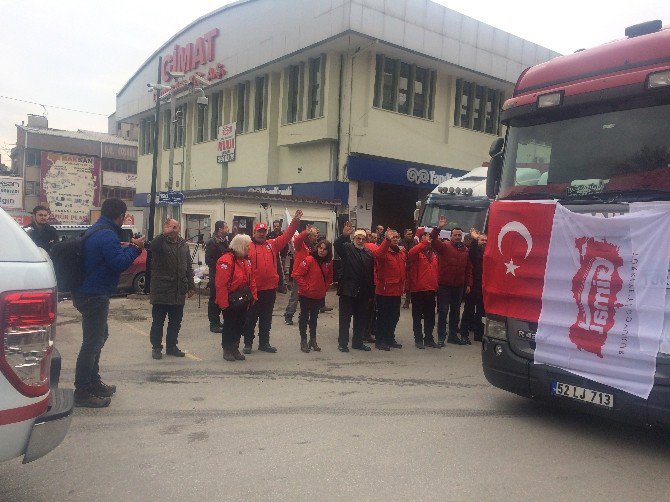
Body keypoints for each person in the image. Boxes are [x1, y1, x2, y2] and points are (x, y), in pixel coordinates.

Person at [72, 198, 145, 407]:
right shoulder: (107, 234)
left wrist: (130, 246)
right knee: (92, 342)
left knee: (100, 336)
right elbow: (118, 264)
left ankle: (93, 382)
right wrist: (136, 249)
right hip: (94, 294)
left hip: (88, 291)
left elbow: (110, 257)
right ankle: (83, 390)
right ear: (121, 216)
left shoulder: (99, 229)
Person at [243, 210, 302, 353]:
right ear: (254, 232)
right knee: (250, 318)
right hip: (253, 290)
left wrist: (295, 221)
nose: (262, 234)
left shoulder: (272, 244)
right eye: (259, 231)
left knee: (266, 319)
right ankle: (248, 344)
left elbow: (287, 236)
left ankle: (264, 343)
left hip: (269, 290)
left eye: (264, 231)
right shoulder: (247, 246)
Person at [149, 218, 196, 360]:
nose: (175, 230)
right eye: (172, 227)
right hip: (161, 290)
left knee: (175, 322)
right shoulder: (160, 241)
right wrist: (164, 234)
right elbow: (152, 247)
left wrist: (191, 286)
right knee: (158, 322)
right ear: (166, 227)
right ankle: (156, 347)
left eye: (177, 227)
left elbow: (188, 265)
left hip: (178, 290)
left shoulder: (183, 244)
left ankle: (171, 347)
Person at [430, 217, 473, 346]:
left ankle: (453, 336)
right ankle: (441, 337)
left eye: (460, 235)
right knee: (443, 312)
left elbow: (469, 269)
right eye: (455, 235)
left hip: (459, 286)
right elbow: (433, 240)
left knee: (455, 312)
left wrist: (469, 284)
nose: (458, 237)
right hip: (444, 285)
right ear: (451, 236)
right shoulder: (444, 246)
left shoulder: (466, 250)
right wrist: (439, 227)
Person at [216, 234, 257, 362]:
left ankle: (235, 348)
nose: (249, 249)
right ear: (240, 246)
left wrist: (253, 297)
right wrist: (224, 304)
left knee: (240, 324)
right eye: (247, 247)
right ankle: (227, 349)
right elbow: (220, 284)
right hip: (230, 300)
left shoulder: (246, 261)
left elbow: (252, 280)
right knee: (229, 325)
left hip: (243, 299)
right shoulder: (226, 260)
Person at [334, 223, 374, 352]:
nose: (360, 240)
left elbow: (370, 274)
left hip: (363, 292)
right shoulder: (347, 248)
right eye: (358, 238)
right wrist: (344, 235)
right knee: (345, 320)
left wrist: (370, 293)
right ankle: (343, 344)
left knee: (360, 320)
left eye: (363, 238)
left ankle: (357, 343)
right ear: (354, 239)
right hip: (347, 290)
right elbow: (337, 245)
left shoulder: (368, 253)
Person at [293, 240, 333, 353]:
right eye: (320, 247)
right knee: (304, 317)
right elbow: (297, 275)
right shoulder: (309, 260)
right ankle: (303, 340)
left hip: (318, 295)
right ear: (317, 248)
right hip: (306, 295)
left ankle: (313, 340)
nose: (322, 250)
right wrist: (306, 287)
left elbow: (330, 278)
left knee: (314, 318)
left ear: (328, 251)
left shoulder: (328, 263)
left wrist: (324, 289)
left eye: (325, 249)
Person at [372, 228, 407, 351]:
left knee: (394, 316)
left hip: (397, 291)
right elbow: (378, 254)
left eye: (397, 237)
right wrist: (387, 239)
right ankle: (380, 340)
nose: (395, 239)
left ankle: (390, 338)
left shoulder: (401, 253)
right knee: (383, 317)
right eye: (393, 237)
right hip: (384, 291)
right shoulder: (383, 252)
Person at [407, 228, 439, 349]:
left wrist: (438, 229)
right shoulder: (416, 253)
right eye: (425, 237)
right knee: (417, 316)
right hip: (418, 289)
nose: (428, 240)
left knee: (430, 317)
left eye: (428, 238)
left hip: (431, 289)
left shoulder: (434, 254)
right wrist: (424, 242)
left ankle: (429, 338)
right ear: (420, 240)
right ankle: (418, 339)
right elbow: (411, 253)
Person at [284, 225, 318, 325]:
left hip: (309, 276)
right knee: (295, 297)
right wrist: (305, 232)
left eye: (316, 235)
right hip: (299, 276)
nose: (316, 237)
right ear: (309, 236)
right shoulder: (301, 245)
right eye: (315, 235)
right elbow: (297, 239)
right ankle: (288, 316)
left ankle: (303, 316)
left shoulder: (313, 247)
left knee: (307, 298)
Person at [460, 229, 487, 343]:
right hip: (473, 284)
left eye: (486, 240)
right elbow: (473, 252)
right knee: (469, 309)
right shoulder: (474, 251)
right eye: (482, 239)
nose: (484, 242)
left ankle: (478, 334)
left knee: (481, 311)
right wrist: (476, 239)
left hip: (484, 287)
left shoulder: (488, 253)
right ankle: (464, 333)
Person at [205, 220, 230, 333]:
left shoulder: (224, 241)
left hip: (224, 275)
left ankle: (218, 320)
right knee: (214, 298)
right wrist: (220, 266)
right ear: (220, 229)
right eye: (226, 227)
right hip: (216, 274)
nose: (228, 229)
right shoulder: (212, 242)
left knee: (221, 297)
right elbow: (208, 259)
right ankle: (213, 323)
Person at [401, 228, 415, 309]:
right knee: (401, 283)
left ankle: (407, 301)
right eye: (408, 234)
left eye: (411, 234)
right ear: (405, 234)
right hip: (402, 265)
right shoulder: (400, 242)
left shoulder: (415, 242)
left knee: (409, 284)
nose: (410, 235)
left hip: (411, 266)